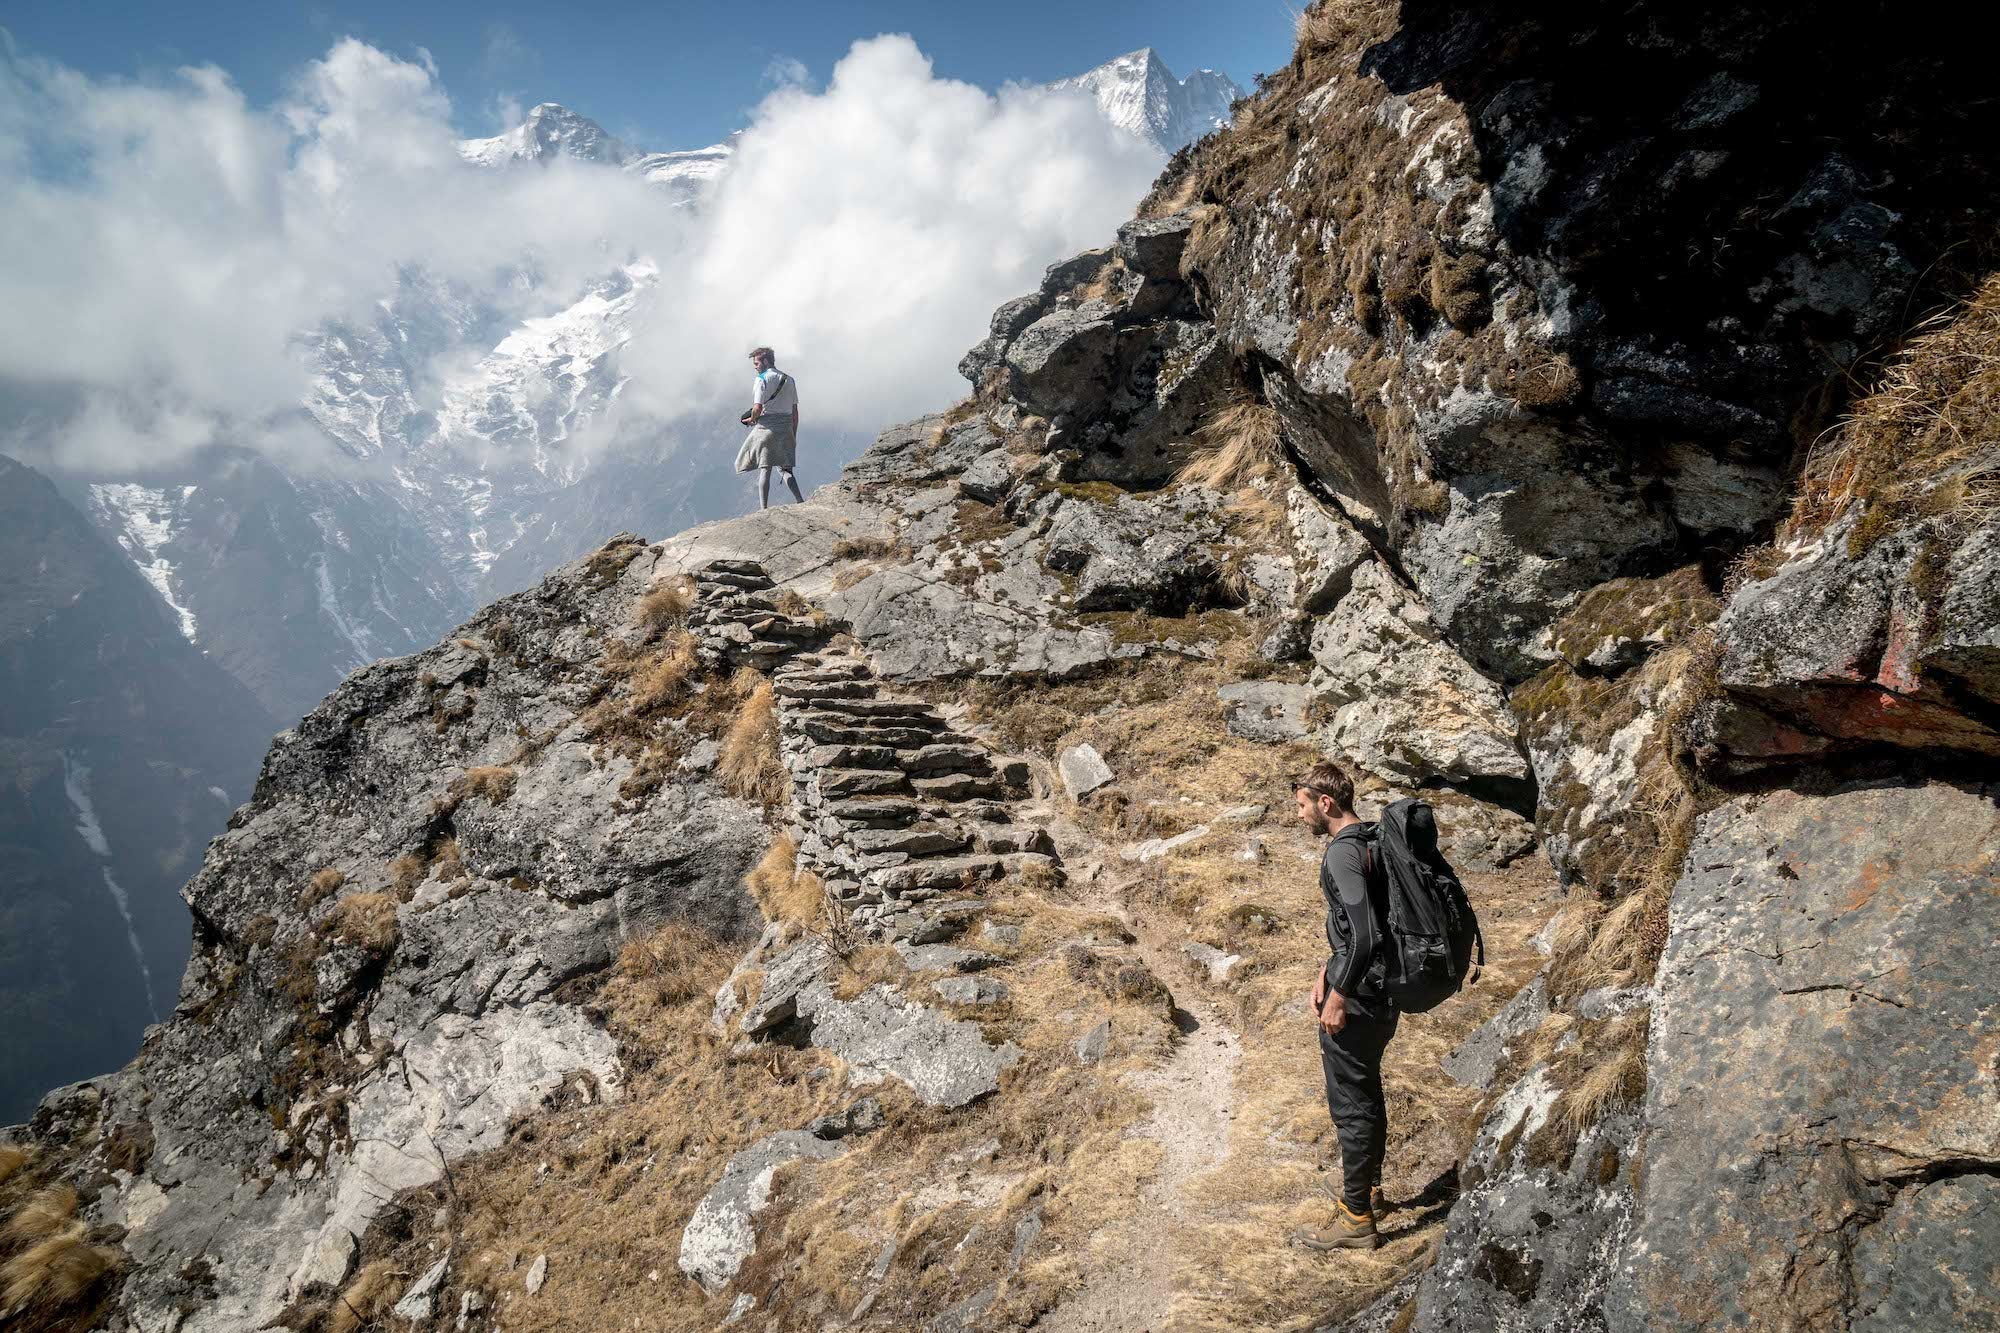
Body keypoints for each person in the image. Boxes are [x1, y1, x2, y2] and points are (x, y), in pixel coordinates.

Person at [1291, 760, 1399, 1252]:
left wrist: (1338, 995)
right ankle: (1368, 1190)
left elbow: (1366, 933)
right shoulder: (1371, 842)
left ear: (1325, 803)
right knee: (1366, 1089)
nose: (1300, 816)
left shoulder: (1342, 855)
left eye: (1302, 806)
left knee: (1351, 1104)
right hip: (1380, 989)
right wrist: (1326, 969)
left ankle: (1356, 1217)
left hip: (1359, 998)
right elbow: (1358, 927)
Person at [735, 346, 804, 510]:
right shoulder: (789, 379)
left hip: (767, 428)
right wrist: (793, 433)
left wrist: (751, 419)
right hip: (786, 427)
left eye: (756, 363)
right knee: (785, 469)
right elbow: (795, 411)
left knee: (765, 468)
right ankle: (800, 501)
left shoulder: (761, 379)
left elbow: (757, 407)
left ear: (765, 361)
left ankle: (763, 509)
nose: (755, 367)